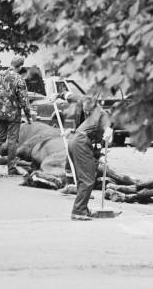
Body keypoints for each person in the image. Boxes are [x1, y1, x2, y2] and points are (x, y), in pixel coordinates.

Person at [62, 92, 113, 221]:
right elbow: (73, 97)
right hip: (81, 143)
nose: (86, 112)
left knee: (83, 178)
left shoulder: (101, 114)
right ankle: (79, 211)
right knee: (87, 179)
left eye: (87, 109)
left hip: (76, 142)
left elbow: (103, 134)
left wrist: (101, 154)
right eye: (85, 109)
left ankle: (83, 208)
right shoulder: (98, 113)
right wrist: (60, 94)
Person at [0, 55, 32, 175]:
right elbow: (24, 100)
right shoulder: (19, 79)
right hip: (13, 115)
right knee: (12, 140)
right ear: (20, 66)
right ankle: (11, 168)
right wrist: (29, 116)